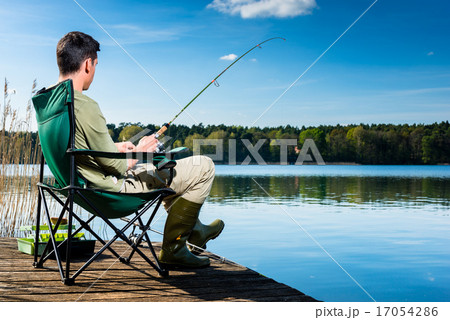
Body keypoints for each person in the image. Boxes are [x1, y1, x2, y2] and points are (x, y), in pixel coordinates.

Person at [55, 31, 224, 268]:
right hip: (110, 193)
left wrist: (113, 147)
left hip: (77, 188)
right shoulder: (85, 105)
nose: (94, 71)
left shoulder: (50, 101)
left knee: (164, 168)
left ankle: (195, 231)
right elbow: (115, 166)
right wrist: (141, 150)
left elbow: (74, 148)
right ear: (86, 65)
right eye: (95, 64)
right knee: (203, 167)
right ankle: (175, 248)